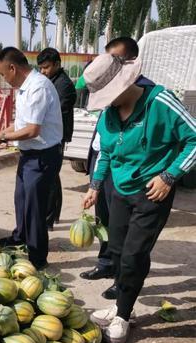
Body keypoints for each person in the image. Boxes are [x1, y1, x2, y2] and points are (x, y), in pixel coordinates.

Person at [82, 53, 195, 343]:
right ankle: (123, 306)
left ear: (124, 84)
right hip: (119, 190)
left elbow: (194, 138)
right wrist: (95, 185)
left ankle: (122, 316)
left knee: (133, 255)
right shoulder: (109, 113)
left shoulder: (161, 102)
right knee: (117, 251)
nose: (106, 102)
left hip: (151, 193)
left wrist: (169, 176)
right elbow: (106, 153)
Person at [80, 37, 155, 302]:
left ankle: (122, 283)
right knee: (106, 218)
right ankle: (107, 262)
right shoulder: (108, 94)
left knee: (125, 235)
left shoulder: (147, 94)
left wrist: (168, 175)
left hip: (131, 171)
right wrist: (94, 183)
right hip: (104, 157)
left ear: (130, 62)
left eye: (118, 59)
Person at [0, 47, 63, 270]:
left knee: (35, 207)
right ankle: (20, 237)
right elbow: (21, 123)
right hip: (29, 154)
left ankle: (38, 257)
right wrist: (2, 131)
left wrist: (4, 137)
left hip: (43, 156)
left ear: (13, 68)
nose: (4, 80)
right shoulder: (24, 88)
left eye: (3, 74)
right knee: (21, 198)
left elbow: (32, 130)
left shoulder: (38, 87)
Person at [37, 47, 77, 230]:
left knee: (51, 177)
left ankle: (49, 219)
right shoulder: (51, 81)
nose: (43, 71)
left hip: (57, 136)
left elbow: (55, 112)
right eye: (41, 68)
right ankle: (54, 215)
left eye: (46, 67)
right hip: (51, 135)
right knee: (53, 176)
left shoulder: (64, 85)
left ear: (57, 64)